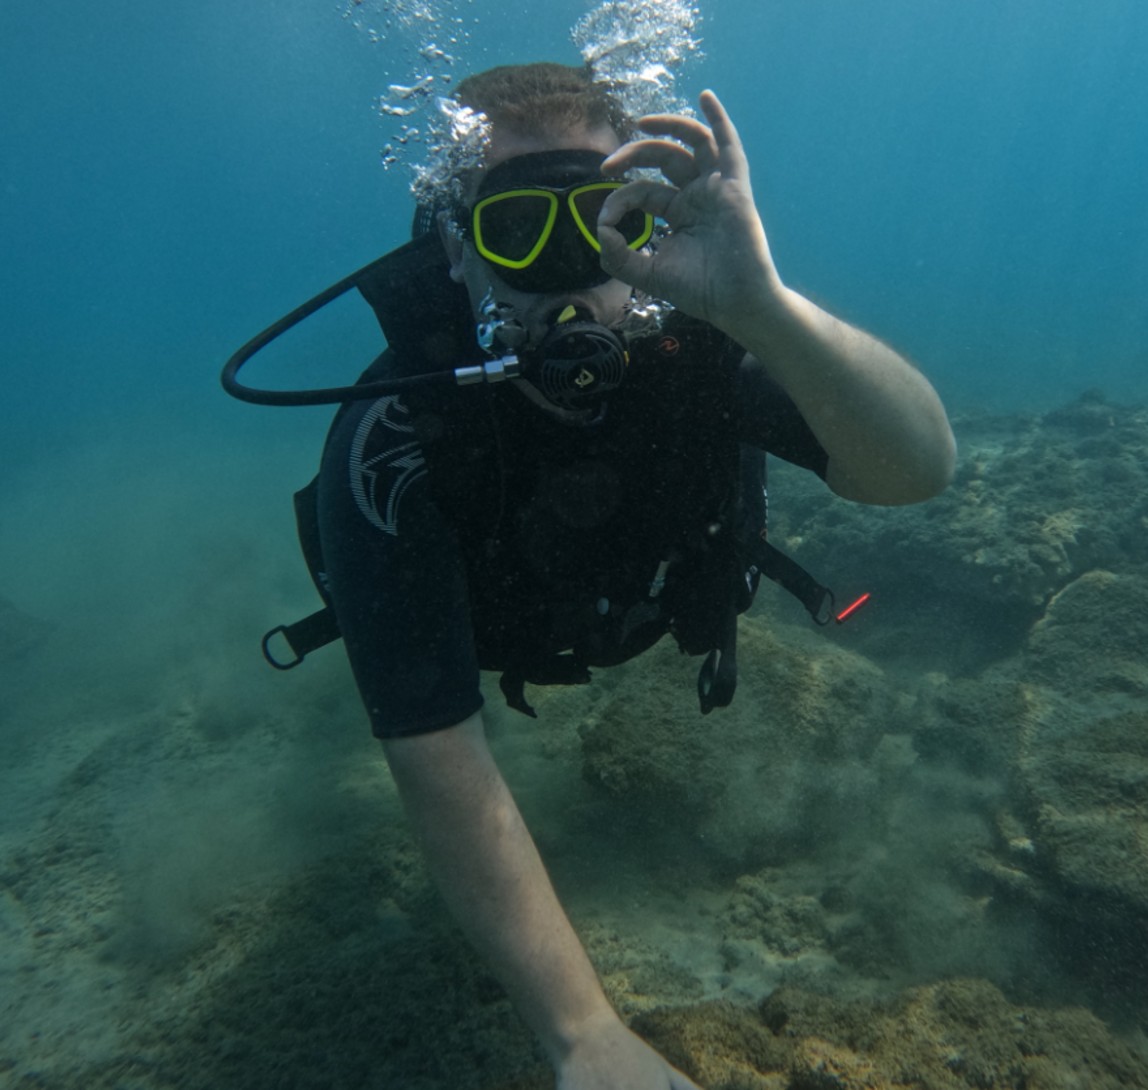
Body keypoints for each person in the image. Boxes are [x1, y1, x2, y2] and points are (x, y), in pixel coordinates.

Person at [315, 63, 955, 1090]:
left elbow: (916, 471)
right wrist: (582, 1034)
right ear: (455, 246)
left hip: (661, 608)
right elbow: (433, 743)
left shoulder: (707, 348)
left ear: (650, 225)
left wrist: (765, 310)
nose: (566, 272)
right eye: (517, 228)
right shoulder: (394, 440)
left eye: (601, 220)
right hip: (501, 638)